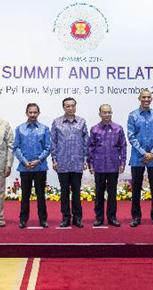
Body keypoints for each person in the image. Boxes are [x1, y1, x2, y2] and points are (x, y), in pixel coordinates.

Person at [127, 89, 153, 227]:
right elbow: (131, 136)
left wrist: (152, 152)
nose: (146, 99)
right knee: (136, 189)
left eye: (148, 97)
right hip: (138, 158)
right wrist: (144, 153)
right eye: (144, 97)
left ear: (151, 99)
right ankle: (136, 217)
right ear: (139, 98)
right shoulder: (133, 116)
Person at [51, 97, 88, 228]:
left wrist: (85, 160)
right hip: (62, 162)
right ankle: (65, 218)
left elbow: (85, 143)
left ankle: (77, 218)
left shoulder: (82, 122)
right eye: (68, 106)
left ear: (75, 107)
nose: (70, 108)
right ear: (64, 107)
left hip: (77, 162)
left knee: (77, 192)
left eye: (73, 106)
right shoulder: (56, 122)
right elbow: (53, 143)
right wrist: (54, 160)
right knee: (64, 192)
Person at [88, 104, 127, 227]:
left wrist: (122, 162)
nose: (107, 114)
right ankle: (99, 218)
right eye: (104, 112)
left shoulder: (118, 128)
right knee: (99, 193)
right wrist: (90, 163)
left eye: (109, 112)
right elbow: (90, 147)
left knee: (112, 193)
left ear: (112, 113)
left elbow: (123, 146)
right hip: (99, 166)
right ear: (99, 114)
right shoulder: (94, 129)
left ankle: (112, 217)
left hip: (113, 165)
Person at [14, 103, 51, 228]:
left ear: (38, 113)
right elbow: (16, 147)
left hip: (40, 167)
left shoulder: (44, 129)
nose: (33, 115)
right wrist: (24, 161)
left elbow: (48, 147)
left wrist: (38, 160)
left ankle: (43, 220)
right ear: (26, 113)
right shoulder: (19, 129)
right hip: (25, 167)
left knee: (41, 195)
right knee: (25, 195)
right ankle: (23, 219)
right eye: (30, 112)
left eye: (35, 112)